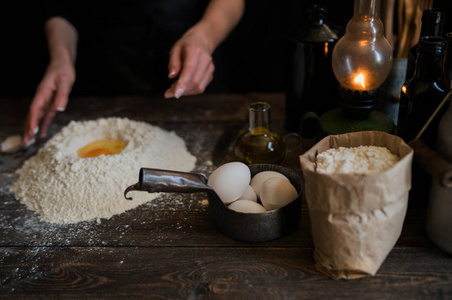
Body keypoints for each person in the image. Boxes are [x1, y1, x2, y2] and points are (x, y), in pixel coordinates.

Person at [23, 0, 245, 147]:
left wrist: (205, 36)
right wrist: (61, 56)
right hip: (102, 81)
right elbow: (58, 5)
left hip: (196, 76)